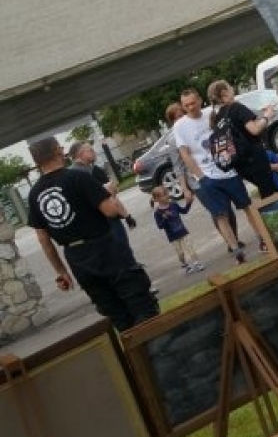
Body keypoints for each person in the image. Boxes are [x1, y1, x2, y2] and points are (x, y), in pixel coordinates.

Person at [27, 136, 159, 331]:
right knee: (141, 305)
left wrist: (61, 272)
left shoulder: (35, 193)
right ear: (57, 151)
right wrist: (109, 192)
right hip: (105, 249)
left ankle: (138, 357)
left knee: (117, 316)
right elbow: (110, 211)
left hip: (77, 259)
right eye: (60, 147)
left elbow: (43, 239)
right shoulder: (78, 178)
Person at [172, 86, 260, 263]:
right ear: (183, 106)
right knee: (221, 215)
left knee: (247, 206)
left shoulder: (211, 114)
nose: (190, 108)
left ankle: (263, 238)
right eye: (186, 105)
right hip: (207, 175)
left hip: (228, 169)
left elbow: (228, 135)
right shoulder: (180, 126)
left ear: (199, 101)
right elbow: (184, 154)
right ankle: (236, 251)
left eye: (193, 103)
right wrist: (201, 177)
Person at [206, 79, 278, 199]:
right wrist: (267, 116)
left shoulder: (217, 118)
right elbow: (254, 129)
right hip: (254, 157)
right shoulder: (236, 107)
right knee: (271, 194)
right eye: (230, 87)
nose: (232, 89)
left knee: (267, 191)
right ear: (224, 92)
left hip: (239, 164)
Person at [152, 187, 205, 274]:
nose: (167, 196)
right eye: (164, 195)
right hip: (173, 237)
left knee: (190, 247)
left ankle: (197, 263)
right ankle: (185, 265)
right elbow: (160, 226)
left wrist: (189, 203)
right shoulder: (158, 213)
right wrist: (164, 218)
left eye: (167, 193)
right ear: (157, 199)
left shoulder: (173, 204)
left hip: (183, 232)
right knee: (180, 253)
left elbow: (184, 211)